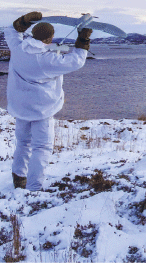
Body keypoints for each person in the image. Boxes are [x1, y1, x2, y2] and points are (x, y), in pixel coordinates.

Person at [5, 11, 92, 191]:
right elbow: (76, 61)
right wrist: (83, 38)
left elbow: (11, 32)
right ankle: (34, 187)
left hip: (20, 106)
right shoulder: (47, 60)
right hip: (41, 109)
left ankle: (18, 178)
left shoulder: (19, 47)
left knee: (22, 143)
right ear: (49, 38)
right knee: (41, 148)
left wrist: (23, 21)